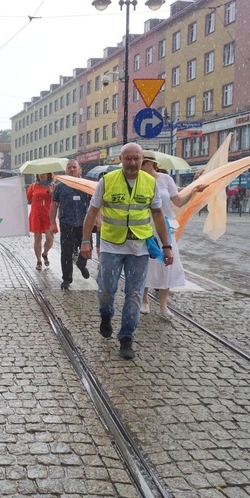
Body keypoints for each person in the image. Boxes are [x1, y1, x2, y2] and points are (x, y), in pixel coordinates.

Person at [81, 143, 173, 360]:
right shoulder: (106, 181)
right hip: (111, 245)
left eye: (136, 159)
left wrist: (166, 246)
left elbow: (158, 214)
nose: (132, 163)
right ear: (120, 159)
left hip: (139, 247)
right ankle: (106, 314)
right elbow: (93, 211)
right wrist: (85, 241)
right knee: (106, 289)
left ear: (142, 160)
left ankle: (126, 337)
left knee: (133, 293)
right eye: (128, 159)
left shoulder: (150, 182)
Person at [140, 151, 207, 319]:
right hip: (144, 227)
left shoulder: (166, 179)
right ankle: (144, 300)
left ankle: (163, 305)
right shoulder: (138, 180)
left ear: (152, 164)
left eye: (143, 162)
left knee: (167, 264)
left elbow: (178, 201)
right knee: (145, 264)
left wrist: (192, 192)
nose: (139, 166)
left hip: (165, 227)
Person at [50, 160, 91, 290]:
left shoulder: (86, 185)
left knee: (86, 246)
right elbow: (54, 205)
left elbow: (95, 204)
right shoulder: (60, 186)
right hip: (66, 222)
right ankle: (67, 278)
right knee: (66, 252)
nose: (72, 169)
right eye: (69, 168)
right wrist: (52, 223)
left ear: (80, 169)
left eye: (74, 167)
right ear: (66, 170)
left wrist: (98, 220)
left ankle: (81, 263)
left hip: (84, 223)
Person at [27, 172, 56, 270]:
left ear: (48, 175)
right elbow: (28, 198)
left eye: (43, 174)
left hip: (48, 215)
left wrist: (51, 193)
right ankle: (39, 260)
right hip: (36, 215)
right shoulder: (33, 186)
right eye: (39, 174)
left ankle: (45, 253)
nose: (41, 176)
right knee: (37, 239)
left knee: (50, 238)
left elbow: (57, 201)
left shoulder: (53, 186)